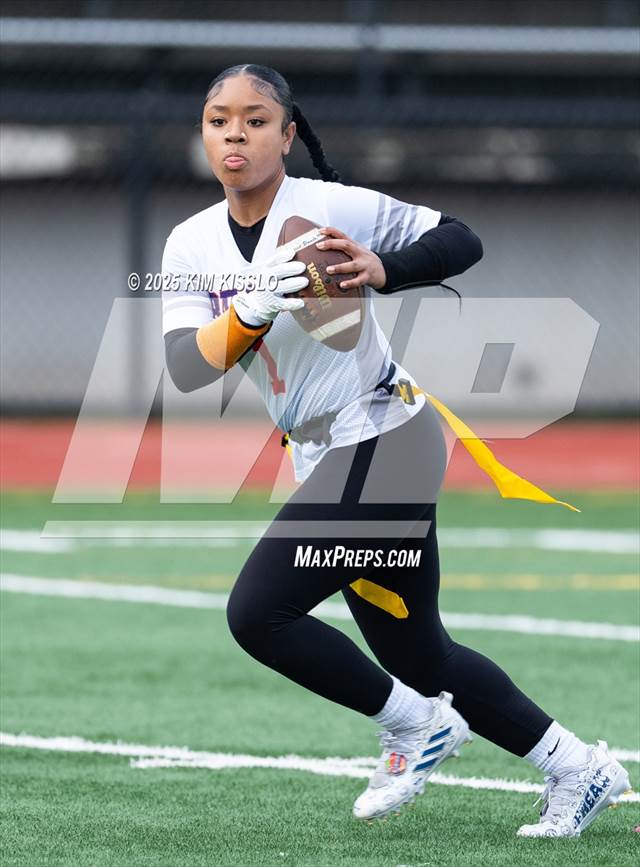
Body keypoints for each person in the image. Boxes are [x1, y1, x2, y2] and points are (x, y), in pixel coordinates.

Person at [162, 64, 630, 837]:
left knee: (258, 613)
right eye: (218, 119)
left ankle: (418, 727)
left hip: (387, 435)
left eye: (254, 119)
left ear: (288, 133)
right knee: (424, 656)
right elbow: (186, 367)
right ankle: (580, 767)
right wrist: (250, 308)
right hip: (325, 452)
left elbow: (461, 238)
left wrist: (384, 268)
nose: (234, 133)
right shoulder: (189, 241)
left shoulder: (327, 207)